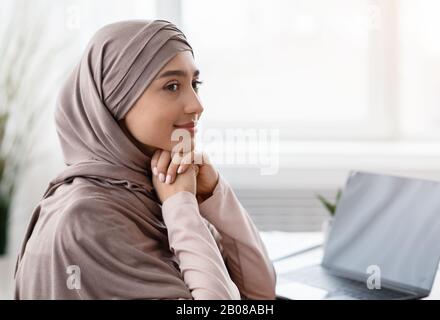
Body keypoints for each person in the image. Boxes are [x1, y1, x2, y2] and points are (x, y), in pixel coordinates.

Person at [14, 19, 276, 299]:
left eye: (195, 83)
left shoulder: (157, 189)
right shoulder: (86, 219)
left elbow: (260, 292)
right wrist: (181, 210)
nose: (197, 105)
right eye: (172, 86)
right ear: (116, 100)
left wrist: (215, 195)